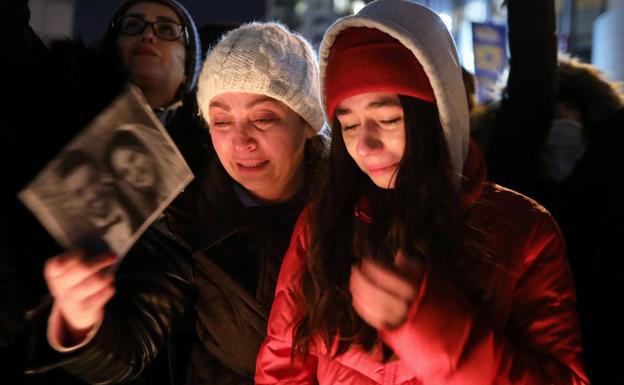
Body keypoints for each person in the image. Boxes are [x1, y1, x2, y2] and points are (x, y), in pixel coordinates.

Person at [255, 1, 587, 384]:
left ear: (438, 115)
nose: (364, 145)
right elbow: (282, 364)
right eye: (347, 126)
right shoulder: (323, 222)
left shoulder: (524, 232)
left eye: (387, 119)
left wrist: (441, 332)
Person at [37, 22, 326, 385]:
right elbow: (132, 350)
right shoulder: (183, 216)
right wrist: (79, 319)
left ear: (307, 122)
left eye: (263, 118)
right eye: (221, 120)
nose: (241, 141)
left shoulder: (356, 204)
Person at [0, 0, 203, 383]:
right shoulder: (47, 97)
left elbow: (140, 338)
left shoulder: (199, 174)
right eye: (133, 24)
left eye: (167, 30)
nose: (147, 33)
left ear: (187, 69)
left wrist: (79, 323)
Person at [56, 149, 140, 254]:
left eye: (92, 181)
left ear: (103, 175)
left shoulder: (140, 199)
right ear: (72, 202)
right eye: (79, 193)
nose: (92, 195)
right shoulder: (83, 249)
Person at [105, 128, 163, 217]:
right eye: (125, 173)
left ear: (146, 149)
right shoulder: (156, 208)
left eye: (132, 158)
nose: (135, 172)